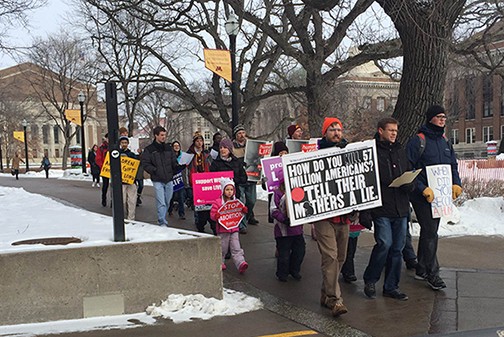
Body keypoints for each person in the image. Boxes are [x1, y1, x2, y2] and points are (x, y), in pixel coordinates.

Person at [407, 105, 462, 290]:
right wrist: (422, 188)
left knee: (430, 232)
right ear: (430, 118)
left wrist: (457, 183)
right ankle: (433, 273)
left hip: (440, 196)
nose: (442, 120)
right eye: (439, 117)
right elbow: (409, 168)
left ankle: (421, 269)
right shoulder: (418, 141)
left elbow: (453, 165)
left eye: (444, 117)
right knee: (431, 231)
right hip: (422, 196)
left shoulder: (445, 141)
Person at [362, 117, 413, 301]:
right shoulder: (371, 151)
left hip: (400, 207)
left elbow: (408, 171)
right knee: (384, 243)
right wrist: (365, 211)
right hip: (381, 208)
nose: (393, 133)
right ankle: (370, 279)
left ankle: (391, 286)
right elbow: (366, 182)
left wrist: (409, 185)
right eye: (390, 130)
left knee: (398, 249)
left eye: (396, 131)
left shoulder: (400, 150)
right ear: (380, 130)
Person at [314, 117, 357, 317]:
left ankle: (325, 293)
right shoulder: (314, 155)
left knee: (340, 258)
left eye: (339, 129)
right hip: (324, 216)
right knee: (330, 258)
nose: (337, 133)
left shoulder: (350, 154)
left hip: (343, 216)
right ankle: (335, 300)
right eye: (332, 129)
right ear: (325, 133)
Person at [141, 126, 180, 227]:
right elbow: (145, 163)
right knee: (161, 201)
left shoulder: (168, 148)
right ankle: (162, 221)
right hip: (157, 179)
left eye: (165, 135)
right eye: (162, 135)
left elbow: (173, 161)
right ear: (156, 136)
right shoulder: (149, 149)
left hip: (169, 178)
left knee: (167, 200)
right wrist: (154, 170)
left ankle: (162, 217)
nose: (164, 137)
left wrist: (177, 166)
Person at [210, 178, 249, 274]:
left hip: (234, 229)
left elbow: (239, 213)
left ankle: (241, 263)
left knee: (236, 247)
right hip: (223, 230)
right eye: (227, 189)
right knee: (223, 248)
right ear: (223, 190)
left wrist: (243, 211)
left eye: (231, 190)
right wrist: (216, 216)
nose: (229, 192)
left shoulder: (236, 202)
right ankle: (220, 262)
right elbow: (212, 214)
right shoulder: (218, 202)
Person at [271, 179, 305, 282]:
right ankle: (282, 273)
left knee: (299, 251)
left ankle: (294, 270)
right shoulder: (277, 193)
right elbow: (273, 210)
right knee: (284, 254)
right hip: (283, 231)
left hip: (297, 230)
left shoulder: (299, 191)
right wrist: (284, 219)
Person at [232, 124, 259, 232]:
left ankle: (246, 217)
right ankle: (242, 225)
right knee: (241, 201)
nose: (242, 135)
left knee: (252, 200)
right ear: (235, 135)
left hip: (251, 176)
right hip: (239, 178)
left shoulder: (252, 145)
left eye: (243, 133)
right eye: (239, 133)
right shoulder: (232, 146)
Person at [187, 132, 214, 233]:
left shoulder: (206, 153)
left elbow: (211, 164)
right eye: (197, 141)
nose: (199, 143)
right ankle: (198, 221)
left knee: (207, 202)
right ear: (194, 142)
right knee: (198, 202)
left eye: (201, 141)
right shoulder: (190, 154)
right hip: (195, 180)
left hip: (206, 179)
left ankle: (208, 220)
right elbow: (186, 166)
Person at [118, 136, 139, 220]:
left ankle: (131, 218)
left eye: (125, 143)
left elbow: (137, 165)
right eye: (122, 143)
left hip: (131, 181)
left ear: (128, 144)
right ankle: (120, 218)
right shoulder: (116, 154)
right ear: (120, 143)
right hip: (121, 182)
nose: (124, 144)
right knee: (121, 200)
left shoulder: (132, 155)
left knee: (132, 201)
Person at [168, 141, 187, 220]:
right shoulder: (169, 156)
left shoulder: (183, 155)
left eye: (178, 145)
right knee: (171, 196)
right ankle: (170, 210)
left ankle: (181, 213)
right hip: (172, 178)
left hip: (180, 179)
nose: (176, 147)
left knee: (181, 197)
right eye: (175, 145)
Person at [95, 134, 109, 206]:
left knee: (114, 185)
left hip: (114, 170)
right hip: (105, 170)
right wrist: (103, 166)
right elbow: (98, 159)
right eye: (108, 138)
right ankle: (104, 198)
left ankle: (114, 200)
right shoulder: (101, 148)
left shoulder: (115, 147)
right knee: (105, 185)